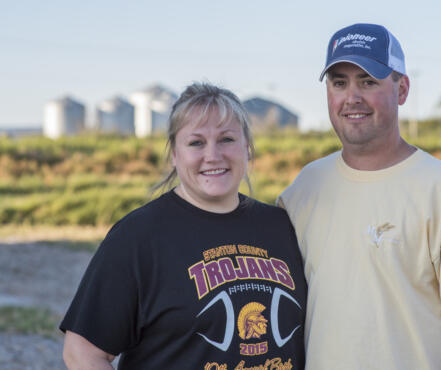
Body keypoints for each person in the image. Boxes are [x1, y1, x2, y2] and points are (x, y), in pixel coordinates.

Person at [278, 23, 441, 370]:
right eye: (339, 82)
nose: (351, 97)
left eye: (368, 81)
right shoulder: (304, 189)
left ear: (402, 88)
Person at [61, 82, 306, 369]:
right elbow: (82, 353)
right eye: (196, 143)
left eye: (227, 139)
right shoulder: (139, 237)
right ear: (174, 155)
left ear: (247, 149)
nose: (213, 155)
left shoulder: (281, 227)